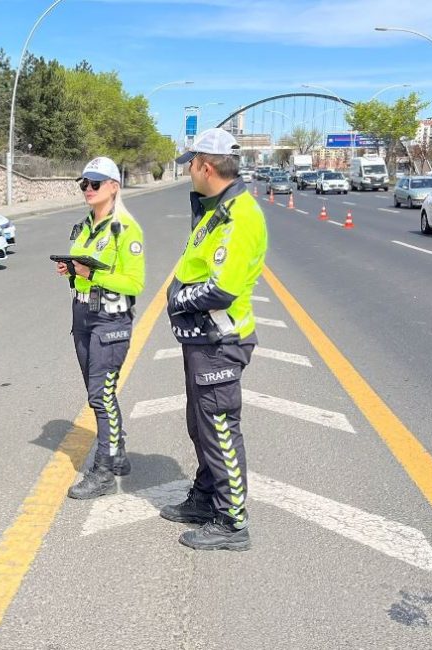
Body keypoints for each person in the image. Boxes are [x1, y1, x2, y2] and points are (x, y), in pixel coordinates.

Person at [161, 128, 268, 551]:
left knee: (220, 427)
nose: (188, 168)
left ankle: (231, 521)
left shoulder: (240, 215)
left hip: (221, 340)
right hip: (203, 338)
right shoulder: (216, 210)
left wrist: (176, 300)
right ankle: (206, 497)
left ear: (206, 165)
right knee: (201, 424)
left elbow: (223, 288)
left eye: (191, 162)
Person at [57, 156, 146, 500]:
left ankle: (104, 471)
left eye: (95, 184)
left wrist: (90, 274)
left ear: (114, 186)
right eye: (84, 184)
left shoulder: (125, 228)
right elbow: (81, 271)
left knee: (100, 394)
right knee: (99, 394)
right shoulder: (83, 226)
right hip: (83, 315)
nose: (88, 190)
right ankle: (118, 451)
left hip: (111, 319)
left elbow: (134, 282)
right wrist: (71, 272)